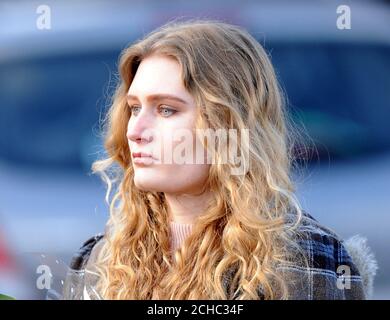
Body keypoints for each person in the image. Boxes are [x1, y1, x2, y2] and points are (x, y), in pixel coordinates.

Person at [62, 19, 376, 300]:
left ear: (229, 123)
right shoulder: (98, 262)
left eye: (166, 109)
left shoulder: (302, 259)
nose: (136, 131)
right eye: (134, 108)